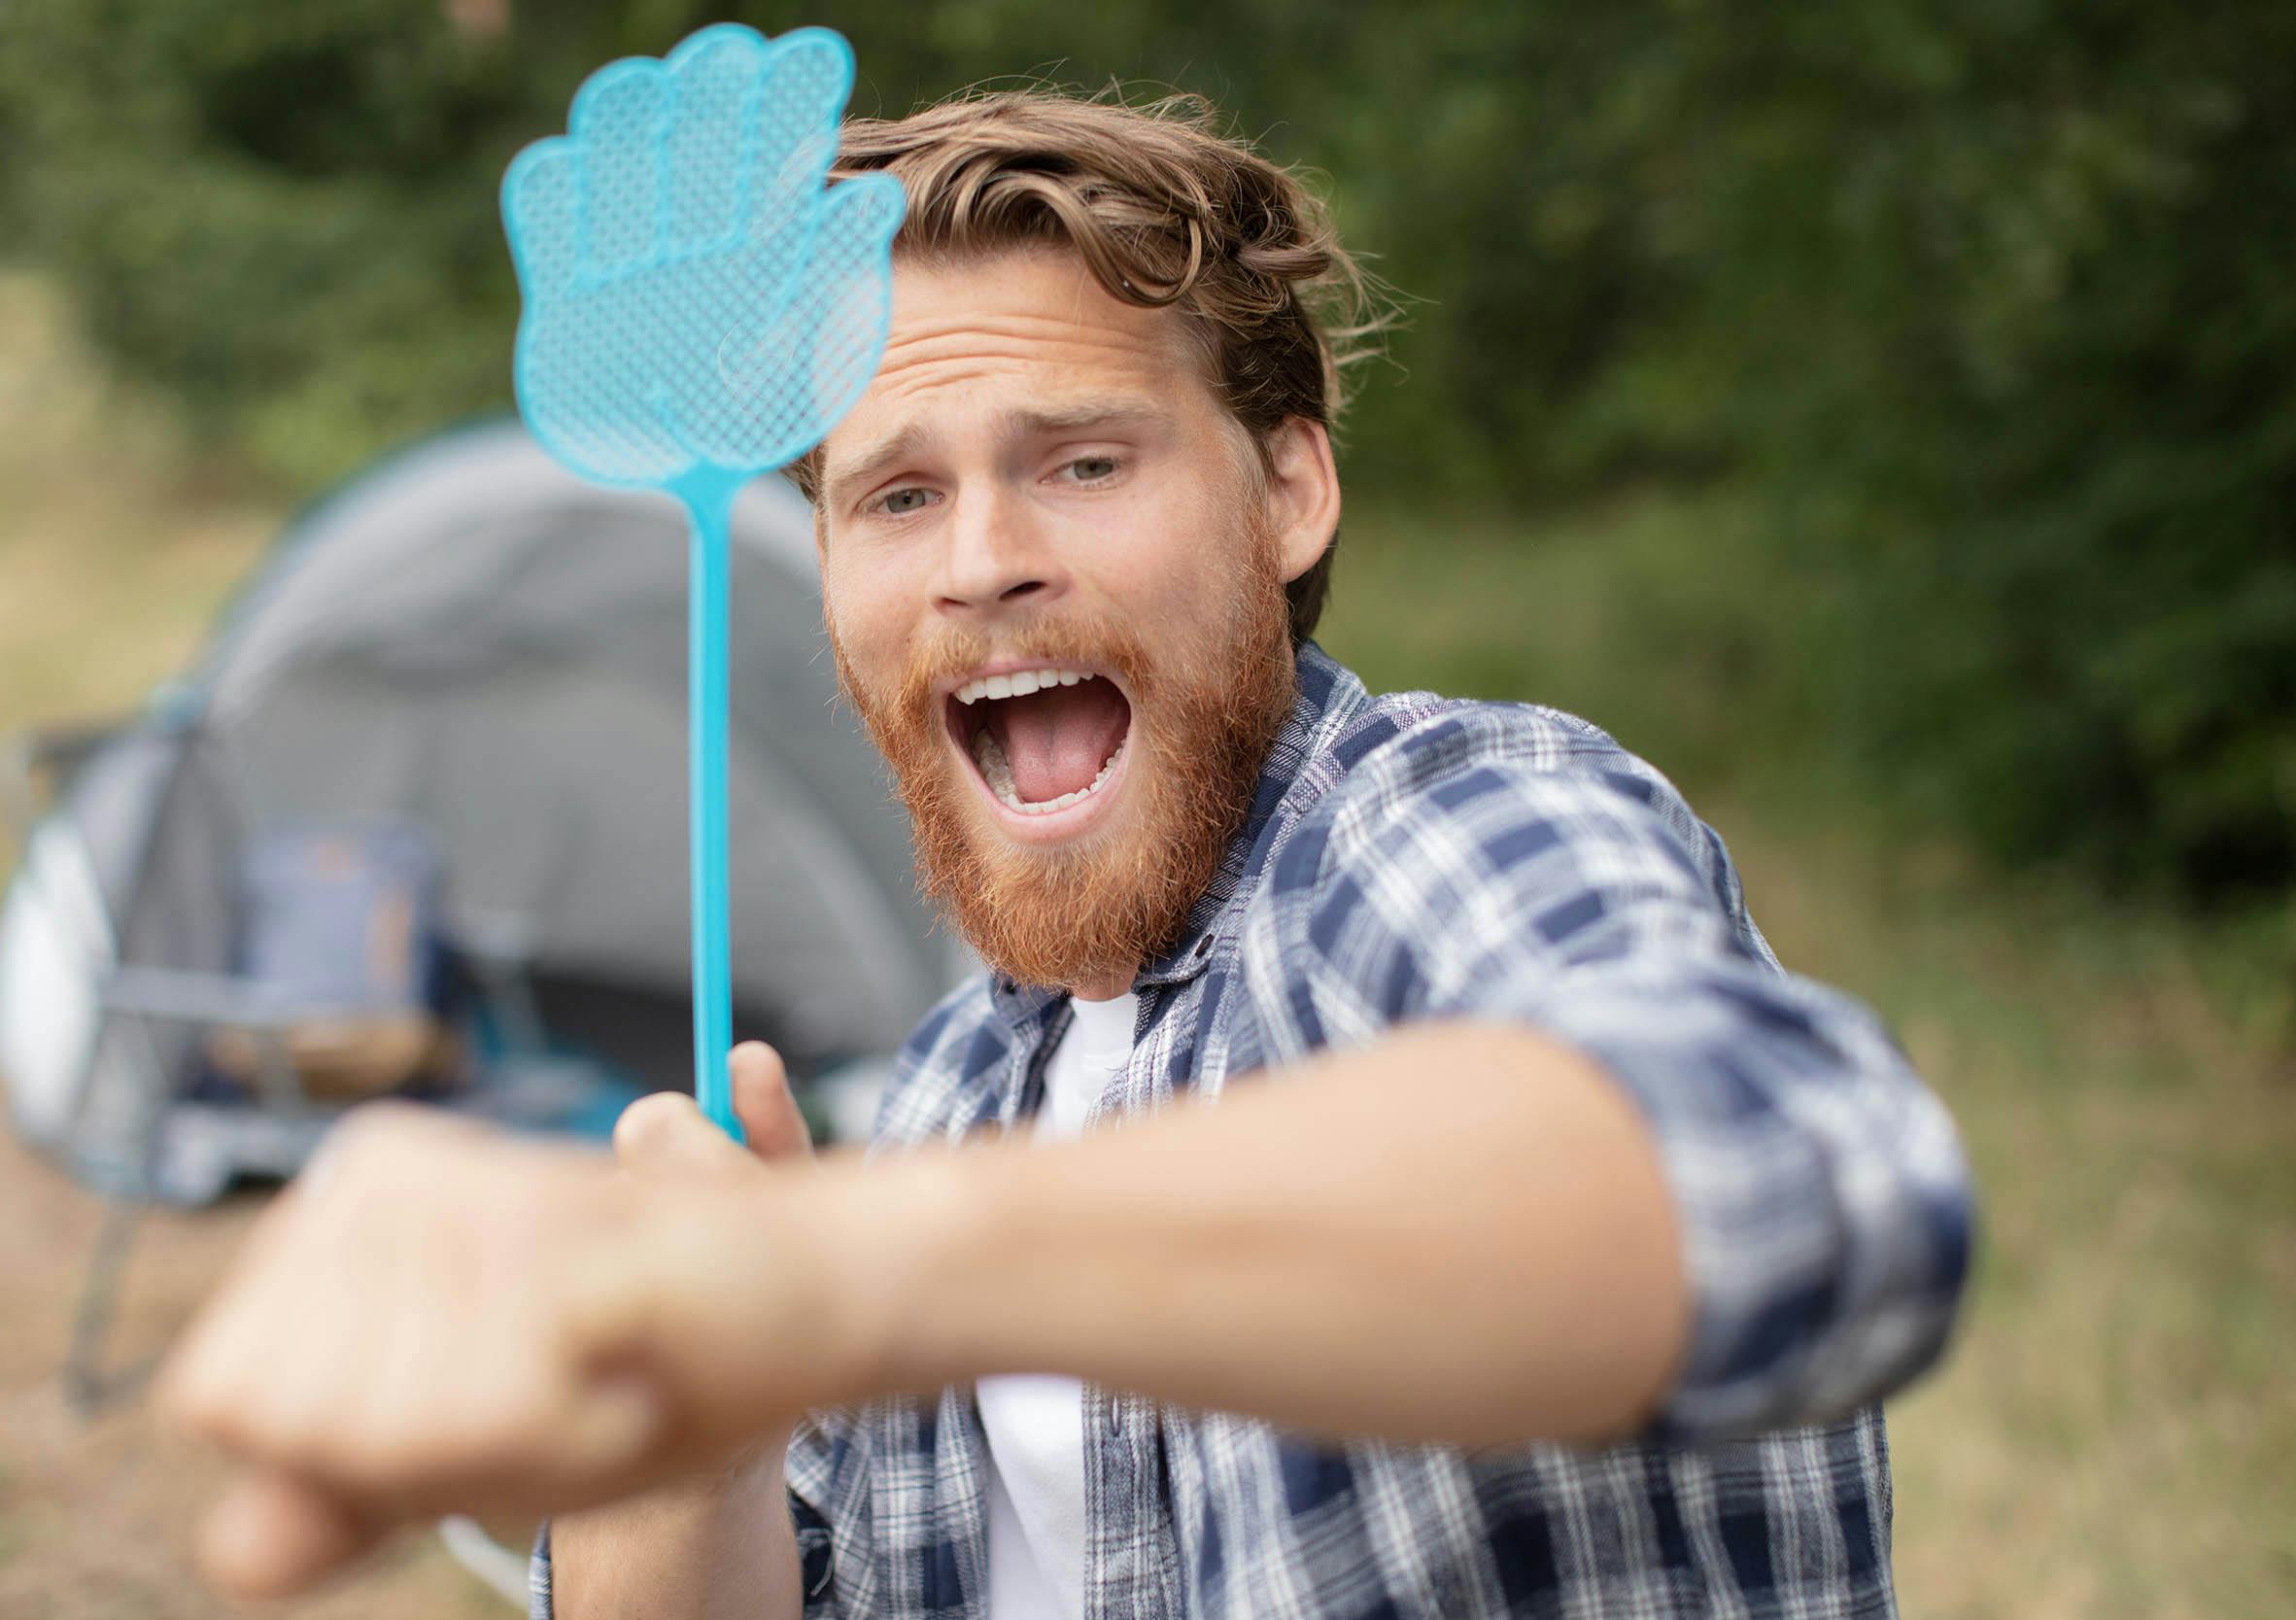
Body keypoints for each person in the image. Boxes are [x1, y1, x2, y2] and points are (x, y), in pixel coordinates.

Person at [158, 89, 1974, 1619]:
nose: (981, 563)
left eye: (1085, 463)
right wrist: (690, 1422)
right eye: (897, 496)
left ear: (1288, 493)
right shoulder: (953, 1091)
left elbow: (1776, 1164)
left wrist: (838, 1276)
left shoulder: (1435, 829)